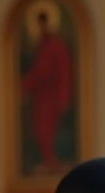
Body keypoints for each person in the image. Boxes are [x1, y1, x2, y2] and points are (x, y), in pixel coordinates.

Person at [21, 9, 73, 172]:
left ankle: (51, 161)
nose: (40, 28)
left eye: (42, 24)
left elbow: (63, 72)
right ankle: (46, 160)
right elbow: (36, 71)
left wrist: (63, 98)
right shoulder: (40, 46)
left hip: (51, 96)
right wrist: (23, 86)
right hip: (40, 97)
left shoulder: (56, 45)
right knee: (38, 129)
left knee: (47, 130)